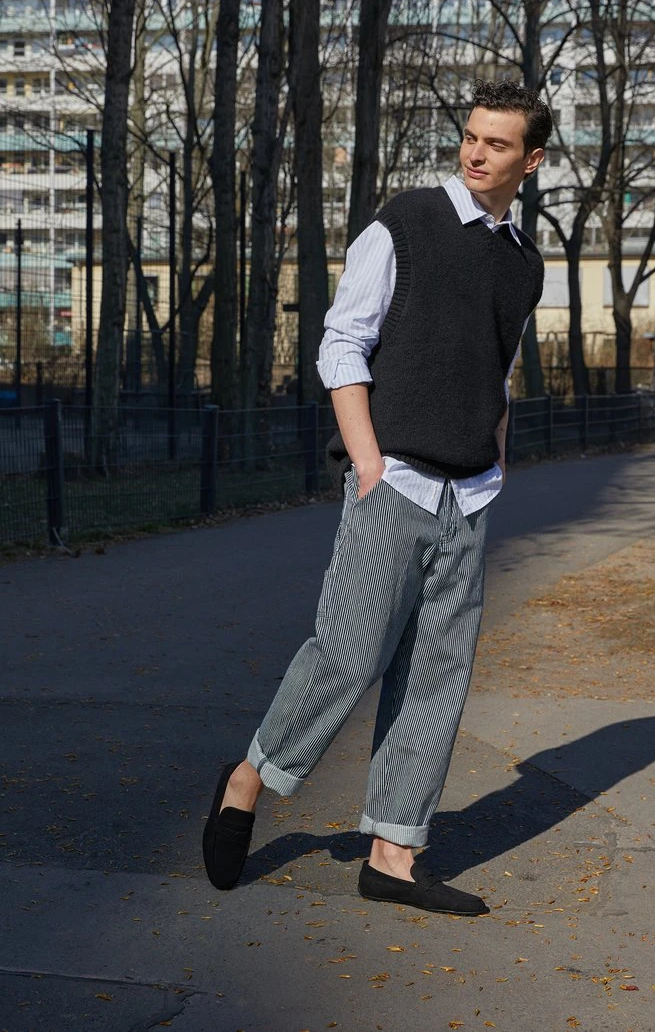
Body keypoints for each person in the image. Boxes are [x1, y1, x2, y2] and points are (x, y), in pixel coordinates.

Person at [203, 78, 552, 916]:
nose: (476, 153)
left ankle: (394, 852)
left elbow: (498, 374)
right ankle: (249, 777)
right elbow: (342, 344)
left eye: (497, 143)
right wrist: (366, 461)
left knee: (436, 676)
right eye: (470, 135)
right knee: (349, 657)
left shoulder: (524, 263)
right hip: (391, 480)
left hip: (469, 496)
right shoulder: (406, 222)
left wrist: (495, 468)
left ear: (531, 161)